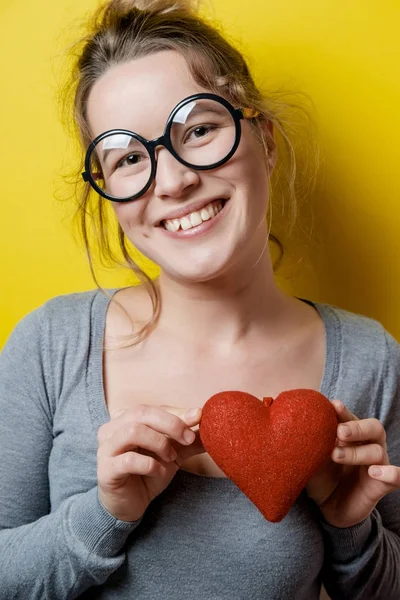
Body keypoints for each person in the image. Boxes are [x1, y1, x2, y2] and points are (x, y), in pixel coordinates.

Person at [0, 0, 399, 598]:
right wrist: (105, 515)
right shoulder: (50, 345)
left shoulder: (373, 358)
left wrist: (351, 529)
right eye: (130, 158)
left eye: (200, 129)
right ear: (108, 194)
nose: (174, 179)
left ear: (263, 139)